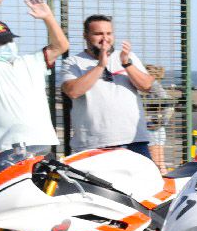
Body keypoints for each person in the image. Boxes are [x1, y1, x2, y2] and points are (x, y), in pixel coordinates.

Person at [0, 0, 69, 155]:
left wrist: (48, 17)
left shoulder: (31, 61)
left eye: (8, 40)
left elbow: (61, 46)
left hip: (41, 143)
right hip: (2, 148)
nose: (6, 45)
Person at [59, 14, 156, 157]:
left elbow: (147, 86)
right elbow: (73, 91)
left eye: (108, 33)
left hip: (133, 141)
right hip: (94, 144)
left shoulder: (127, 57)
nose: (105, 38)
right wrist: (100, 66)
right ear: (85, 36)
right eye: (98, 34)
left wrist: (126, 64)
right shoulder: (73, 62)